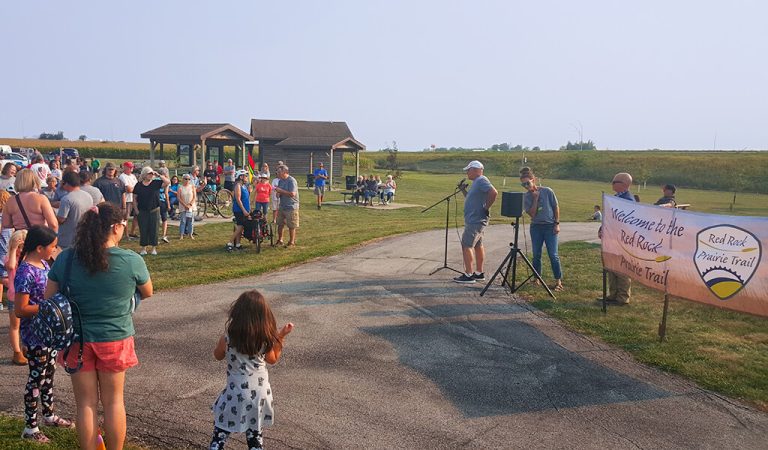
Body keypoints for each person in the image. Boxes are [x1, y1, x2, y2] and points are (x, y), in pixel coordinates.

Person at [46, 202, 153, 450]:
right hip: (115, 337)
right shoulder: (131, 260)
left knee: (85, 404)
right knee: (114, 401)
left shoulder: (67, 259)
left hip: (77, 340)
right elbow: (147, 292)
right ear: (115, 227)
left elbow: (49, 295)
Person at [209, 290, 294, 450]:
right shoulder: (265, 339)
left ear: (237, 314)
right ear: (264, 316)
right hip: (259, 395)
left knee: (221, 432)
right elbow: (273, 359)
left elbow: (217, 355)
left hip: (235, 394)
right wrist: (281, 336)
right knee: (254, 437)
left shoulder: (227, 338)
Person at [14, 225, 73, 442]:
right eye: (52, 246)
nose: (54, 250)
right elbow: (20, 309)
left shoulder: (44, 264)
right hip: (35, 335)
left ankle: (48, 415)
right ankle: (30, 428)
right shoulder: (25, 271)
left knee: (48, 376)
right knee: (36, 381)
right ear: (39, 247)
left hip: (49, 334)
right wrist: (49, 307)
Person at [520, 167, 563, 291]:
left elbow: (555, 207)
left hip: (550, 226)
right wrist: (535, 198)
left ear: (534, 180)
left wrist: (557, 223)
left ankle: (558, 281)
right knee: (536, 254)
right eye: (523, 184)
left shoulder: (547, 191)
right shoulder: (526, 197)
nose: (526, 186)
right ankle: (536, 279)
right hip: (536, 227)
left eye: (528, 183)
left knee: (553, 254)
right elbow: (532, 214)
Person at [454, 160, 497, 284]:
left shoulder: (482, 180)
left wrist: (486, 208)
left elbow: (493, 193)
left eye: (468, 170)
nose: (467, 172)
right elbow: (472, 199)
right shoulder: (477, 182)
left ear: (475, 170)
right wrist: (463, 190)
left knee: (466, 245)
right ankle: (479, 273)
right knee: (478, 245)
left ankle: (469, 275)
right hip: (475, 219)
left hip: (476, 220)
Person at [599, 172, 635, 305]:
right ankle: (612, 294)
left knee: (621, 269)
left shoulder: (628, 200)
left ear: (625, 184)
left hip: (621, 239)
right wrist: (602, 228)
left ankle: (622, 297)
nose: (612, 184)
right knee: (611, 266)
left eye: (615, 182)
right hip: (611, 238)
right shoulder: (615, 198)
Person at [133, 166, 170, 255]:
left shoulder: (156, 183)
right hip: (142, 210)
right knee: (143, 229)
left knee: (154, 229)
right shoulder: (138, 185)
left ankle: (154, 248)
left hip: (154, 210)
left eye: (152, 173)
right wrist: (136, 210)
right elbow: (134, 198)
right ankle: (143, 248)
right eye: (149, 173)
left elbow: (167, 182)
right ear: (144, 174)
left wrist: (159, 175)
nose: (151, 175)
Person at [4, 229, 27, 366]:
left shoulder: (27, 257)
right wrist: (13, 250)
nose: (21, 250)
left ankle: (25, 347)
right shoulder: (10, 258)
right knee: (15, 325)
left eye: (23, 246)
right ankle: (17, 352)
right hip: (14, 297)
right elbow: (11, 266)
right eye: (19, 247)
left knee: (27, 325)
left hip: (26, 296)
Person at [56, 171, 94, 249]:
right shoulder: (88, 196)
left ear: (66, 183)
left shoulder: (66, 199)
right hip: (83, 237)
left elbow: (61, 219)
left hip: (67, 240)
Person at [274, 165, 299, 247]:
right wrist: (278, 194)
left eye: (279, 171)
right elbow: (281, 192)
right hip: (282, 205)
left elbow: (292, 194)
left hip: (291, 206)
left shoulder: (291, 181)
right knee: (280, 223)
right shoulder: (280, 181)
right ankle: (280, 240)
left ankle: (291, 242)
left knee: (291, 225)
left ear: (284, 172)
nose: (277, 173)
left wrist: (280, 190)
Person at [227, 170, 251, 252]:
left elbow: (246, 198)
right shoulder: (238, 185)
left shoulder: (244, 186)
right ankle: (230, 242)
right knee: (240, 227)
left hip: (244, 209)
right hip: (239, 210)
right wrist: (244, 210)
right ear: (241, 177)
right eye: (245, 176)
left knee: (241, 226)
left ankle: (238, 244)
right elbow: (238, 199)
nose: (247, 177)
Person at [119, 162, 139, 239]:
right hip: (127, 199)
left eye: (132, 167)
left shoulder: (133, 176)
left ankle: (132, 232)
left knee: (136, 215)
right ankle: (126, 234)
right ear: (125, 167)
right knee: (125, 217)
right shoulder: (123, 176)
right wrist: (134, 189)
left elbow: (137, 187)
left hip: (134, 198)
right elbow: (128, 189)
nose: (131, 169)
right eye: (130, 167)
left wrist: (134, 189)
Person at [177, 173, 197, 239]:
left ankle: (190, 234)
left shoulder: (192, 186)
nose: (187, 180)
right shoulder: (180, 187)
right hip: (183, 207)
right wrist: (185, 205)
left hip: (191, 207)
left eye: (189, 179)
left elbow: (194, 197)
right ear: (183, 179)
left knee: (191, 221)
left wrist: (190, 204)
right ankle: (181, 235)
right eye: (186, 179)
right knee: (183, 221)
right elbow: (179, 197)